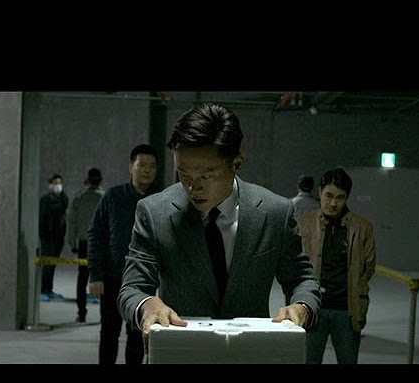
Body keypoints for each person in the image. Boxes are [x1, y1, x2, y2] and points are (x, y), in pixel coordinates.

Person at [118, 103, 320, 351]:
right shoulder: (154, 212)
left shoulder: (275, 213)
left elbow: (301, 279)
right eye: (183, 174)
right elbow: (132, 288)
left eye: (205, 176)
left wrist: (302, 307)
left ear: (237, 164)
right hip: (181, 351)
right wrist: (147, 304)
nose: (193, 187)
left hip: (251, 352)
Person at [87, 145, 159, 365]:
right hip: (112, 278)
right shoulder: (113, 196)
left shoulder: (160, 200)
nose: (147, 170)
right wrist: (95, 274)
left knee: (137, 334)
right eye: (142, 164)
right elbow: (95, 235)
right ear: (131, 167)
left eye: (152, 166)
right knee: (109, 332)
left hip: (144, 281)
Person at [297, 168, 375, 364]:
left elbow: (368, 268)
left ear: (347, 197)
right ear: (320, 192)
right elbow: (295, 266)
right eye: (329, 195)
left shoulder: (362, 227)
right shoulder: (305, 224)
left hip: (347, 310)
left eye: (340, 197)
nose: (333, 203)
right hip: (313, 308)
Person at [67, 167, 104, 322]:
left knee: (82, 279)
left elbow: (72, 223)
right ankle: (104, 315)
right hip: (101, 243)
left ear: (88, 180)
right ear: (101, 181)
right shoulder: (105, 197)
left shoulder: (79, 198)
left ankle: (81, 313)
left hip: (84, 242)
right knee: (103, 278)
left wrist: (72, 242)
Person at [39, 173, 68, 301]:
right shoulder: (45, 200)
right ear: (50, 185)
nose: (58, 186)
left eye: (60, 183)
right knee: (47, 265)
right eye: (55, 183)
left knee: (53, 264)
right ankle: (43, 290)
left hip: (59, 237)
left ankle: (49, 289)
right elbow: (41, 219)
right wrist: (44, 236)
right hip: (48, 237)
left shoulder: (63, 198)